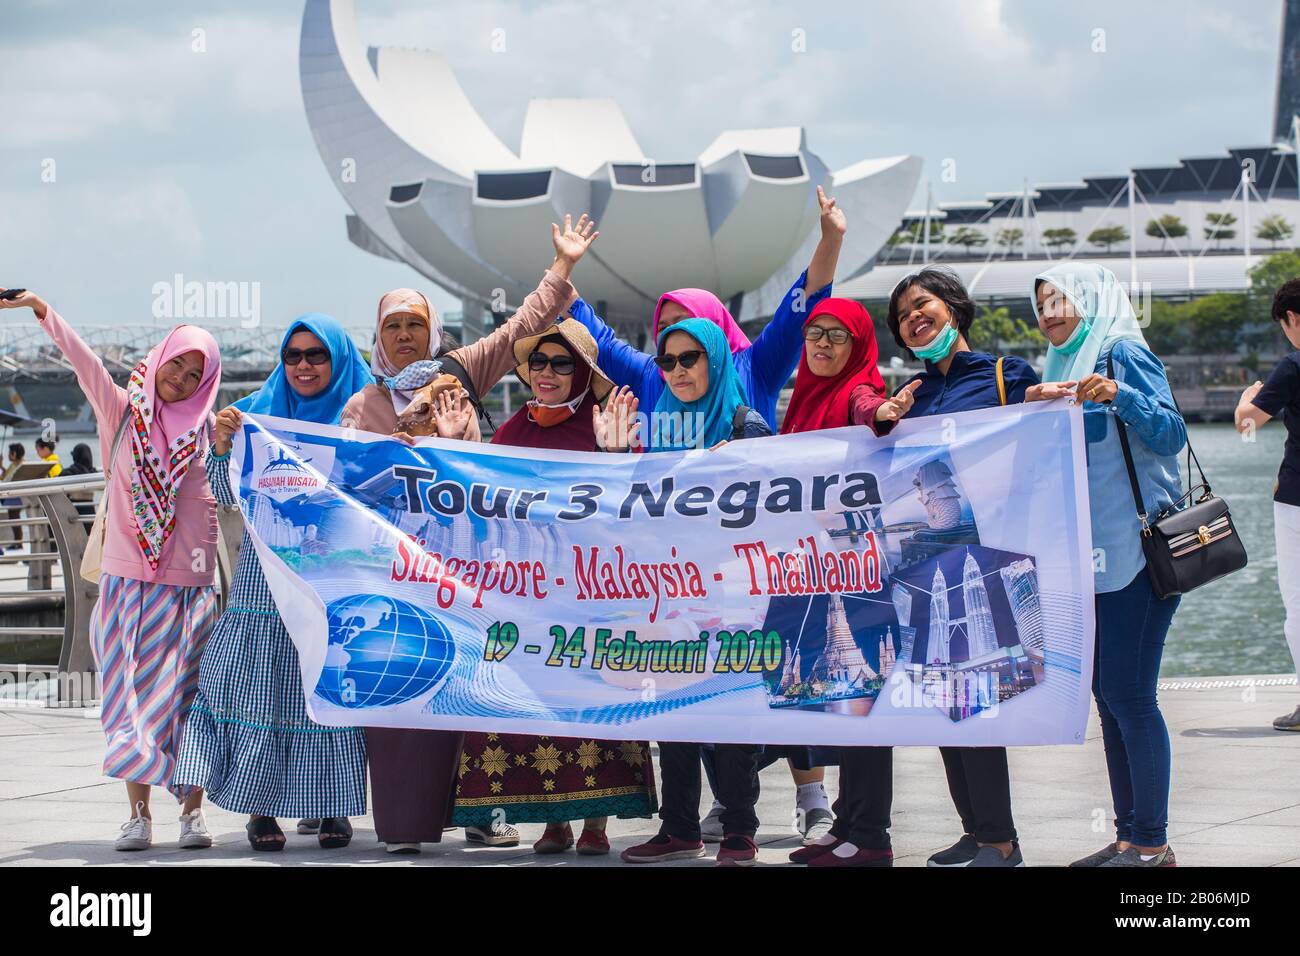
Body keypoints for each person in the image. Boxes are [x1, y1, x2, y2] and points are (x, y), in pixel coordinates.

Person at [339, 213, 598, 853]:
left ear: (434, 332)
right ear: (377, 336)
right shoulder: (362, 407)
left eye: (416, 325)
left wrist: (562, 265)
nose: (405, 336)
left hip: (474, 573)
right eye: (393, 326)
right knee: (402, 701)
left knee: (477, 689)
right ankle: (405, 824)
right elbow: (344, 486)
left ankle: (484, 813)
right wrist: (414, 449)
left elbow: (522, 327)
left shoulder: (456, 374)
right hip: (398, 579)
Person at [0, 287, 222, 852]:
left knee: (187, 701)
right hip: (127, 585)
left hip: (188, 590)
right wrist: (42, 311)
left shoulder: (212, 431)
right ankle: (139, 815)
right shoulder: (122, 412)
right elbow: (85, 364)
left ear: (207, 381)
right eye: (176, 362)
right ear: (160, 357)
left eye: (195, 372)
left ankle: (193, 814)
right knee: (128, 697)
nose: (180, 378)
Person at [436, 323, 658, 854]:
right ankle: (552, 822)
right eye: (539, 363)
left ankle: (595, 822)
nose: (548, 373)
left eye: (562, 364)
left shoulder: (608, 430)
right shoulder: (511, 432)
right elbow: (479, 508)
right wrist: (446, 451)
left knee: (590, 705)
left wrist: (615, 458)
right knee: (533, 711)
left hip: (593, 602)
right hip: (527, 600)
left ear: (582, 372)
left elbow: (635, 513)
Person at [172, 314, 375, 851]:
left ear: (337, 360)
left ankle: (333, 805)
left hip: (333, 579)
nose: (304, 366)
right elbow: (229, 493)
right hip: (265, 583)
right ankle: (260, 810)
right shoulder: (258, 416)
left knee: (326, 689)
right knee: (259, 688)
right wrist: (219, 447)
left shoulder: (360, 415)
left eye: (316, 355)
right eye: (293, 356)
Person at [874, 267, 1040, 868]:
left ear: (953, 308)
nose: (914, 320)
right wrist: (885, 423)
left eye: (924, 306)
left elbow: (1040, 444)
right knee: (945, 698)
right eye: (903, 318)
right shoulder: (912, 395)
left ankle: (1001, 838)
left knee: (979, 693)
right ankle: (974, 830)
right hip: (925, 560)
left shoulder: (1005, 374)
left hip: (986, 554)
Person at [1028, 263, 1186, 868]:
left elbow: (1170, 434)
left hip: (1137, 553)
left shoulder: (1120, 352)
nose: (1050, 314)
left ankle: (1151, 845)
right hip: (1089, 556)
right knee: (1107, 694)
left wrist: (1120, 395)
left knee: (1130, 694)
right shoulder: (1061, 367)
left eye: (1060, 300)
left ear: (1090, 300)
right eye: (1041, 305)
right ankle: (1129, 837)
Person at [620, 317, 770, 867]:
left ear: (715, 359)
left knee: (731, 712)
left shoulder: (744, 423)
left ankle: (738, 830)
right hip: (669, 588)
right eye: (668, 362)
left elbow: (778, 504)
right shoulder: (655, 427)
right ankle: (679, 827)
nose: (678, 371)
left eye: (690, 359)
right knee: (674, 709)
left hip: (733, 593)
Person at [774, 297, 897, 867]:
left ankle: (870, 836)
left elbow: (869, 405)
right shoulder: (803, 401)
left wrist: (882, 413)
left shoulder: (853, 392)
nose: (822, 345)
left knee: (861, 699)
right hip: (816, 572)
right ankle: (847, 821)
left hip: (857, 577)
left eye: (837, 336)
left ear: (858, 346)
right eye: (814, 334)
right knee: (836, 698)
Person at [568, 185, 846, 430]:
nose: (674, 332)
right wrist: (563, 267)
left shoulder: (756, 368)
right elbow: (596, 339)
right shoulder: (652, 374)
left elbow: (798, 310)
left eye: (684, 321)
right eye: (664, 327)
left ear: (713, 327)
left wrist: (831, 241)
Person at [1234, 277, 1300, 732]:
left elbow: (1249, 427)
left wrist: (1244, 403)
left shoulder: (1294, 365)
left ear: (1291, 318)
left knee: (1298, 605)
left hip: (1297, 501)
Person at [2, 443, 26, 549]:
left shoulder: (18, 466)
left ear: (14, 453)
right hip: (15, 497)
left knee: (14, 519)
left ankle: (18, 542)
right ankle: (18, 542)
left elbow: (6, 479)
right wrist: (1, 465)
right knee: (14, 518)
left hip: (16, 498)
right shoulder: (18, 464)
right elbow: (6, 476)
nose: (8, 455)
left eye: (9, 453)